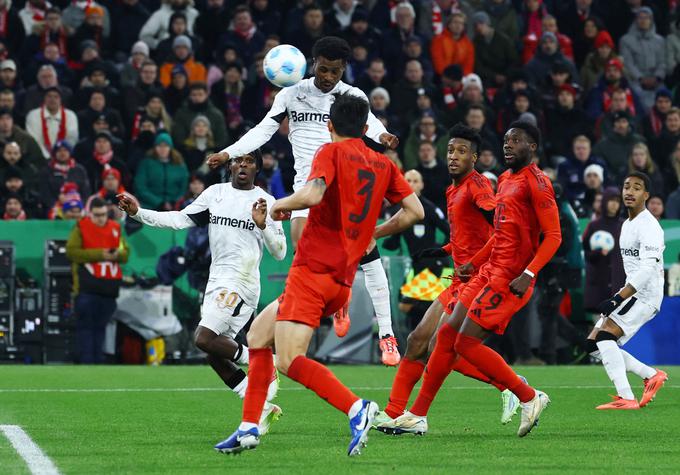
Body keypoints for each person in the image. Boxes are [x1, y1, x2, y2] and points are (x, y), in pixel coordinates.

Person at [213, 92, 423, 456]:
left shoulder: (330, 152)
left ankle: (356, 409)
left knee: (290, 360)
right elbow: (414, 211)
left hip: (312, 270)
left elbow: (311, 195)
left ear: (329, 124)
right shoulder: (384, 165)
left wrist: (279, 204)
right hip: (341, 279)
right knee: (260, 337)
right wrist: (373, 233)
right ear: (365, 127)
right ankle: (249, 427)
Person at [207, 36, 402, 364]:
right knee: (302, 247)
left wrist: (381, 135)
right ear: (313, 65)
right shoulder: (291, 94)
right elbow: (262, 131)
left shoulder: (351, 95)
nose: (329, 77)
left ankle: (387, 334)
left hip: (345, 184)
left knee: (368, 251)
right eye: (324, 69)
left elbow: (368, 122)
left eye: (336, 71)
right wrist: (229, 151)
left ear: (344, 70)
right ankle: (337, 301)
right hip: (307, 185)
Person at [383, 121, 561, 437]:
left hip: (509, 277)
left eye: (516, 140)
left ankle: (526, 394)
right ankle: (415, 415)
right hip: (485, 271)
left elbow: (554, 236)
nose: (508, 145)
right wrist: (469, 262)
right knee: (444, 339)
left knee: (458, 342)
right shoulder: (505, 179)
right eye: (506, 140)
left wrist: (528, 272)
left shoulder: (536, 183)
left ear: (532, 147)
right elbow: (501, 233)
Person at [118, 148, 286, 435]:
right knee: (213, 352)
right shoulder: (215, 194)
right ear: (231, 167)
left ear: (257, 169)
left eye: (249, 163)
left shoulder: (266, 203)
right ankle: (259, 406)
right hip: (217, 281)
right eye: (238, 162)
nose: (243, 166)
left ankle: (262, 361)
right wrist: (139, 214)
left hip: (242, 282)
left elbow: (280, 252)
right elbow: (179, 219)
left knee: (203, 338)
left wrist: (264, 226)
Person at [585, 172, 668, 409]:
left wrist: (618, 297)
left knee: (605, 336)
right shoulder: (628, 224)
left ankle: (627, 397)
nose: (630, 192)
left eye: (637, 188)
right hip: (631, 291)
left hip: (644, 295)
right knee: (593, 344)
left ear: (647, 195)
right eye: (626, 187)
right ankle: (650, 375)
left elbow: (647, 269)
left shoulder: (649, 226)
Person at [66, 197, 130, 363]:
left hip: (109, 289)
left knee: (101, 327)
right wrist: (100, 254)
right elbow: (72, 252)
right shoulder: (81, 227)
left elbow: (126, 252)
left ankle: (97, 362)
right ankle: (87, 362)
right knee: (86, 327)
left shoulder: (115, 228)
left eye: (103, 214)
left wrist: (117, 254)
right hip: (87, 288)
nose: (101, 218)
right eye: (97, 215)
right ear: (90, 213)